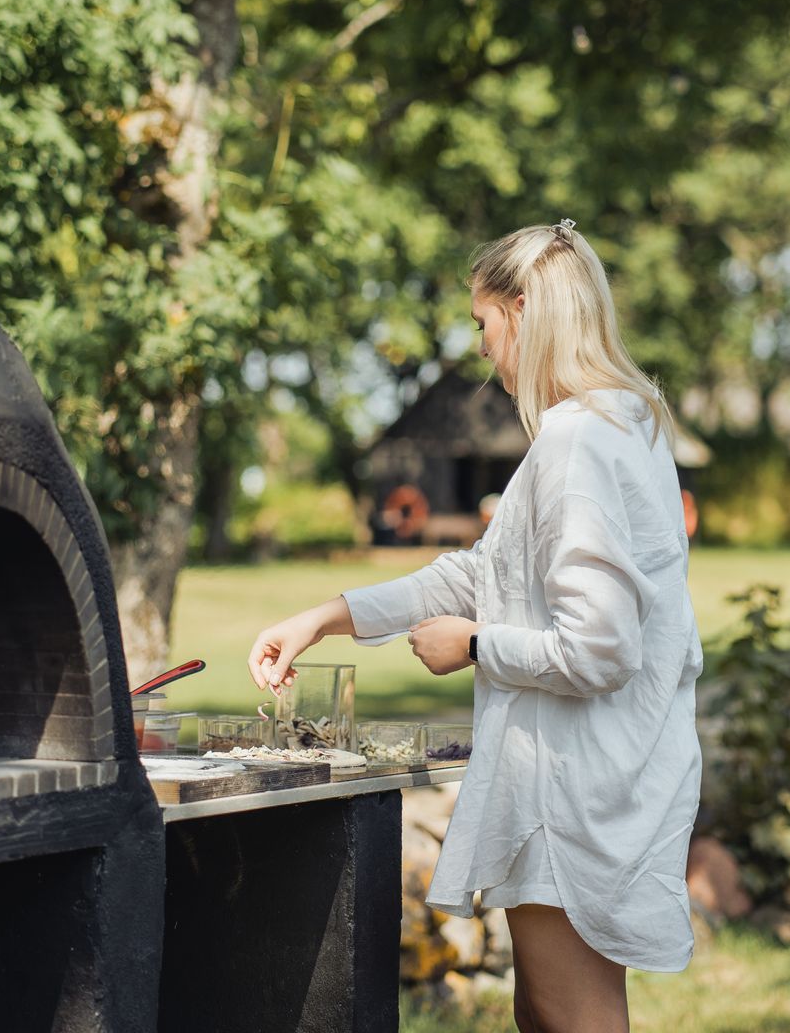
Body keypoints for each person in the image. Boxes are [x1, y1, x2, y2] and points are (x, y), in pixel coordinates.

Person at [247, 220, 703, 1033]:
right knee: (544, 1014)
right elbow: (479, 571)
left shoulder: (578, 439)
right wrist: (328, 619)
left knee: (572, 1019)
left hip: (574, 793)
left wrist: (474, 645)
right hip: (592, 777)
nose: (484, 349)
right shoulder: (622, 424)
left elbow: (601, 647)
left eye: (483, 323)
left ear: (524, 311)